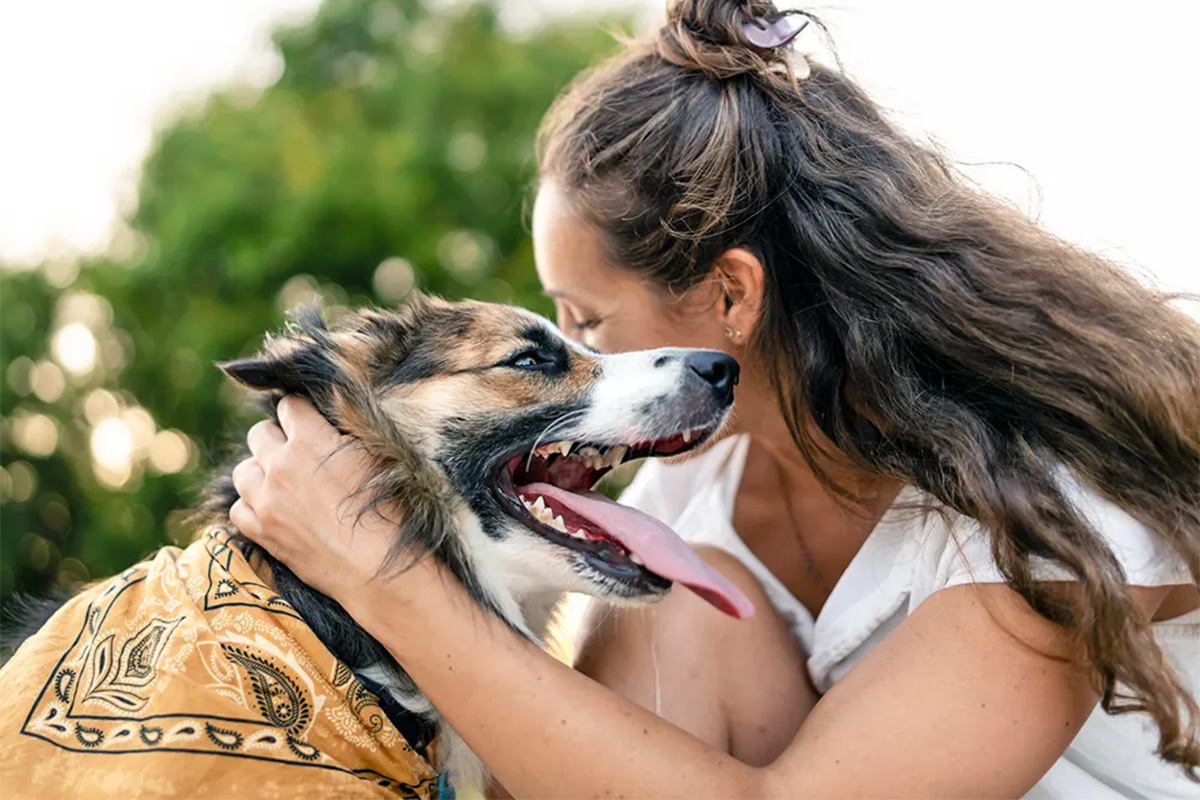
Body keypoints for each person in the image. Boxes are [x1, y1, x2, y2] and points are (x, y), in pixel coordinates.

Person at [227, 1, 1200, 796]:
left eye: (588, 319)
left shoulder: (1042, 493)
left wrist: (382, 577)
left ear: (732, 293)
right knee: (678, 603)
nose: (585, 358)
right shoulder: (695, 491)